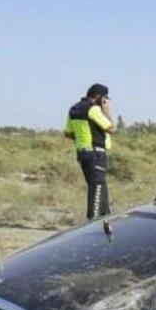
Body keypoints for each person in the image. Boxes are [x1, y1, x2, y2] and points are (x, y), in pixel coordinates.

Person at [64, 84, 114, 219]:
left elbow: (68, 133)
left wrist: (82, 139)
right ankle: (94, 221)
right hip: (95, 153)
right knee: (97, 187)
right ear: (99, 97)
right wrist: (106, 111)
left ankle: (105, 218)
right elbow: (110, 128)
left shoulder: (74, 108)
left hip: (83, 153)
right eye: (104, 99)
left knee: (99, 185)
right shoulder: (93, 109)